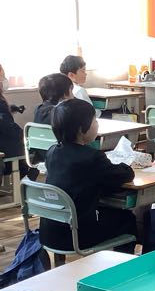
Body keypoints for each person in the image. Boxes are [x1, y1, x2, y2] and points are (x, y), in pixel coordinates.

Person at [42, 99, 137, 253]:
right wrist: (125, 164)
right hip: (77, 235)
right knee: (127, 219)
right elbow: (125, 175)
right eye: (94, 121)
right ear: (81, 129)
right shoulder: (91, 157)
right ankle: (124, 265)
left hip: (50, 232)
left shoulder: (52, 152)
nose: (97, 124)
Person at [0, 64, 36, 179]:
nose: (4, 81)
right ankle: (26, 183)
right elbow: (9, 128)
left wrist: (10, 108)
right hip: (5, 149)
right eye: (2, 77)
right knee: (34, 151)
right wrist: (26, 136)